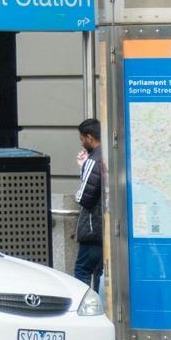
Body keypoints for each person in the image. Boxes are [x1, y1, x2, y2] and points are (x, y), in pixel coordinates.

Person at [73, 118, 106, 292]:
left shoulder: (93, 160)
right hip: (105, 229)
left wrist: (83, 167)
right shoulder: (107, 155)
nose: (82, 143)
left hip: (93, 229)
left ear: (89, 137)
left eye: (82, 139)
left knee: (82, 270)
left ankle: (84, 305)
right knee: (102, 272)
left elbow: (84, 197)